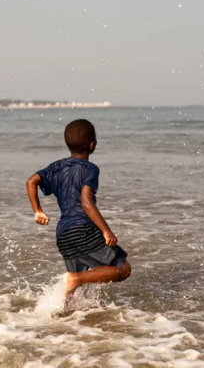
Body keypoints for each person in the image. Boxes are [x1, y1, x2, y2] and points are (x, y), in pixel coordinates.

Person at [26, 119, 131, 304]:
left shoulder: (56, 166)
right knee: (122, 269)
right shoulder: (90, 169)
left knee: (75, 294)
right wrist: (106, 231)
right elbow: (86, 202)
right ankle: (77, 279)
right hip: (83, 229)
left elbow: (31, 181)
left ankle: (63, 318)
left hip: (63, 235)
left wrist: (38, 211)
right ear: (93, 145)